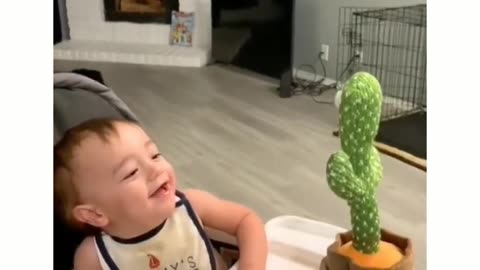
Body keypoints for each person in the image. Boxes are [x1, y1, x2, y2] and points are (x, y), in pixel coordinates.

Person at [54, 118, 268, 270]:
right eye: (131, 172)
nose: (155, 169)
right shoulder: (94, 257)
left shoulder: (192, 205)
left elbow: (246, 221)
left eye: (155, 155)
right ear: (95, 214)